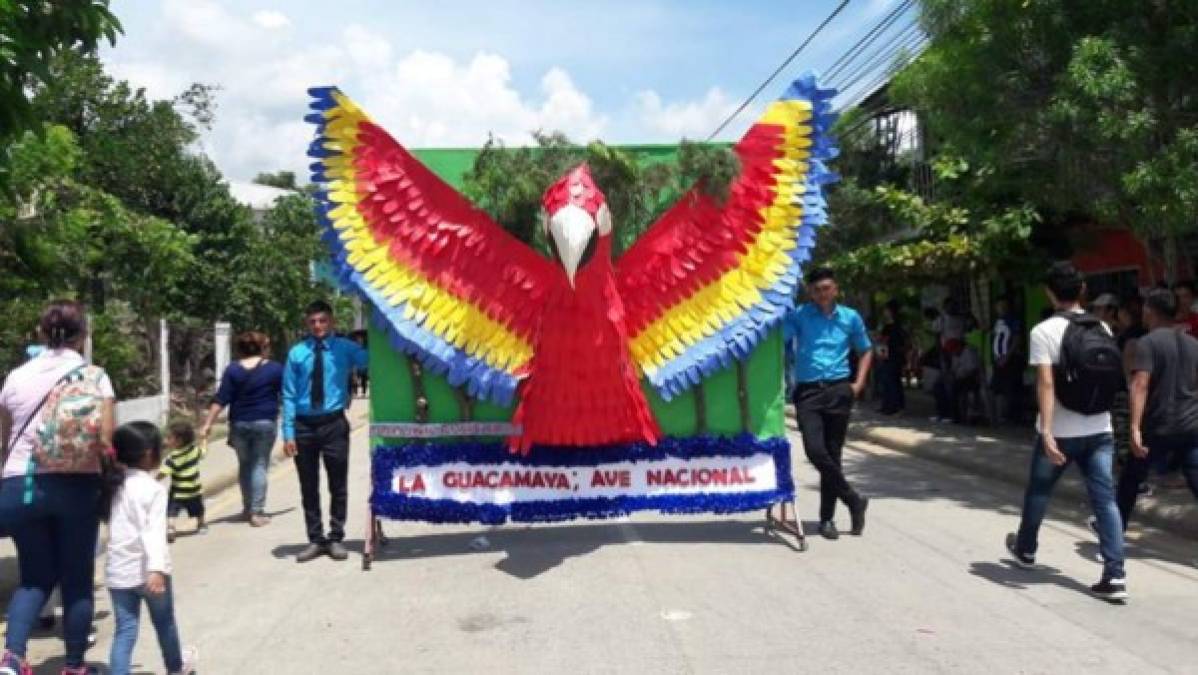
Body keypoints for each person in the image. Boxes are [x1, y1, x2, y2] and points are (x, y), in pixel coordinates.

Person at [0, 300, 115, 674]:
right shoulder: (95, 376)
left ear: (40, 334)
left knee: (34, 579)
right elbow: (106, 441)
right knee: (76, 580)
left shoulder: (15, 377)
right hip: (76, 486)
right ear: (82, 335)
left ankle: (13, 659)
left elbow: (4, 440)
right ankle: (74, 665)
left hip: (19, 485)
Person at [1006, 262, 1128, 602]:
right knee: (1105, 501)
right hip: (1100, 428)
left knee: (1039, 491)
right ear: (1083, 292)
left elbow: (1046, 382)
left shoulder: (1043, 331)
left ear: (1049, 292)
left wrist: (1047, 431)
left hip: (1060, 430)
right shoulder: (1101, 325)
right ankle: (1115, 575)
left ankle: (1026, 550)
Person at [784, 267, 872, 541]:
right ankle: (853, 499)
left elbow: (865, 349)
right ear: (810, 292)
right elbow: (780, 339)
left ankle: (827, 520)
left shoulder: (850, 317)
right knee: (814, 450)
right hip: (808, 392)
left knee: (833, 455)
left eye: (827, 288)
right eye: (817, 289)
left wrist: (858, 384)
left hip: (838, 390)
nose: (822, 294)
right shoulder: (799, 315)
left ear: (835, 289)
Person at [106, 422, 197, 675]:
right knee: (165, 623)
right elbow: (153, 533)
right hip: (149, 571)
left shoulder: (112, 485)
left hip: (118, 573)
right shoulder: (153, 489)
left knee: (124, 631)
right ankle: (175, 668)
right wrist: (156, 569)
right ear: (148, 453)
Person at [283, 300, 368, 562]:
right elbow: (288, 394)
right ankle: (315, 539)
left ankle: (335, 537)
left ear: (331, 322)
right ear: (307, 324)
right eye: (312, 322)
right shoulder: (297, 353)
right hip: (304, 426)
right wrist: (287, 433)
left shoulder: (345, 348)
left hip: (333, 424)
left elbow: (371, 362)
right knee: (308, 485)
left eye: (322, 321)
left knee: (337, 483)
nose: (318, 326)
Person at [1114, 289, 1198, 529]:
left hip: (1158, 425)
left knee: (1130, 480)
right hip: (1190, 425)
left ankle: (1114, 532)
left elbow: (1140, 385)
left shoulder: (1148, 343)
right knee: (1195, 476)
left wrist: (1134, 428)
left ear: (1150, 311)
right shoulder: (1193, 344)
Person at [200, 331, 283, 527]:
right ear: (262, 348)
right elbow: (288, 392)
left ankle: (247, 509)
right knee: (260, 465)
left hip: (239, 424)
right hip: (265, 422)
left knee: (245, 465)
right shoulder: (275, 369)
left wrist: (207, 424)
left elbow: (221, 398)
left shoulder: (233, 370)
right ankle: (257, 511)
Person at [159, 421, 206, 542]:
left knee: (171, 511)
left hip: (178, 491)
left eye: (169, 438)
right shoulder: (194, 450)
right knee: (198, 509)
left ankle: (170, 528)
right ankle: (201, 524)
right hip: (194, 490)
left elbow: (164, 472)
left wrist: (152, 480)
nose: (166, 440)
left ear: (178, 441)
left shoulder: (173, 458)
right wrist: (204, 439)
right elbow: (203, 451)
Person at [990, 296, 1026, 424]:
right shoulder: (997, 321)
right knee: (997, 388)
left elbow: (1016, 339)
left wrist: (1007, 356)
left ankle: (1010, 416)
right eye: (999, 306)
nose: (1001, 309)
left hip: (1010, 359)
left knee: (1009, 388)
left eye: (1003, 306)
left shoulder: (1013, 321)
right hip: (998, 359)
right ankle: (999, 416)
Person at [875, 300, 907, 415]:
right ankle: (889, 405)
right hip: (891, 356)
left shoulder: (893, 326)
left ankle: (895, 406)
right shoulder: (892, 325)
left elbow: (884, 341)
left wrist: (881, 355)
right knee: (889, 381)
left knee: (892, 381)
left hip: (892, 356)